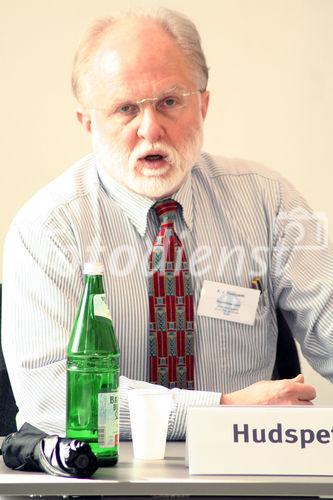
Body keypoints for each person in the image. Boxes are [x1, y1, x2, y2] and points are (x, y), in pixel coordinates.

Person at [2, 7, 332, 440]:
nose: (150, 128)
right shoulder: (46, 228)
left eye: (170, 102)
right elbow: (50, 397)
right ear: (88, 123)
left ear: (203, 105)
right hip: (103, 477)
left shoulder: (271, 202)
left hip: (245, 472)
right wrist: (220, 411)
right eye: (124, 109)